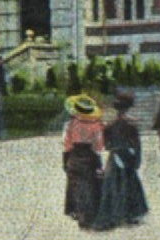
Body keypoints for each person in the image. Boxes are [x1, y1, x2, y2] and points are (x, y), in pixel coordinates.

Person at [95, 92, 149, 231]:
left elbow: (106, 145)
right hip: (127, 156)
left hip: (115, 155)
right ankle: (130, 214)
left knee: (113, 184)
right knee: (129, 183)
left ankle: (114, 214)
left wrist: (114, 146)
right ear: (127, 109)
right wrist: (137, 159)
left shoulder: (110, 126)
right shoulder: (131, 124)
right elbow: (137, 145)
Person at [62, 94, 104, 229]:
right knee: (91, 184)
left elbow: (66, 144)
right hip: (89, 156)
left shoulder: (70, 125)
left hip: (74, 155)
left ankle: (77, 212)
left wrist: (65, 160)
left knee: (75, 184)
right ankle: (90, 215)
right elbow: (98, 146)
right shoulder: (96, 125)